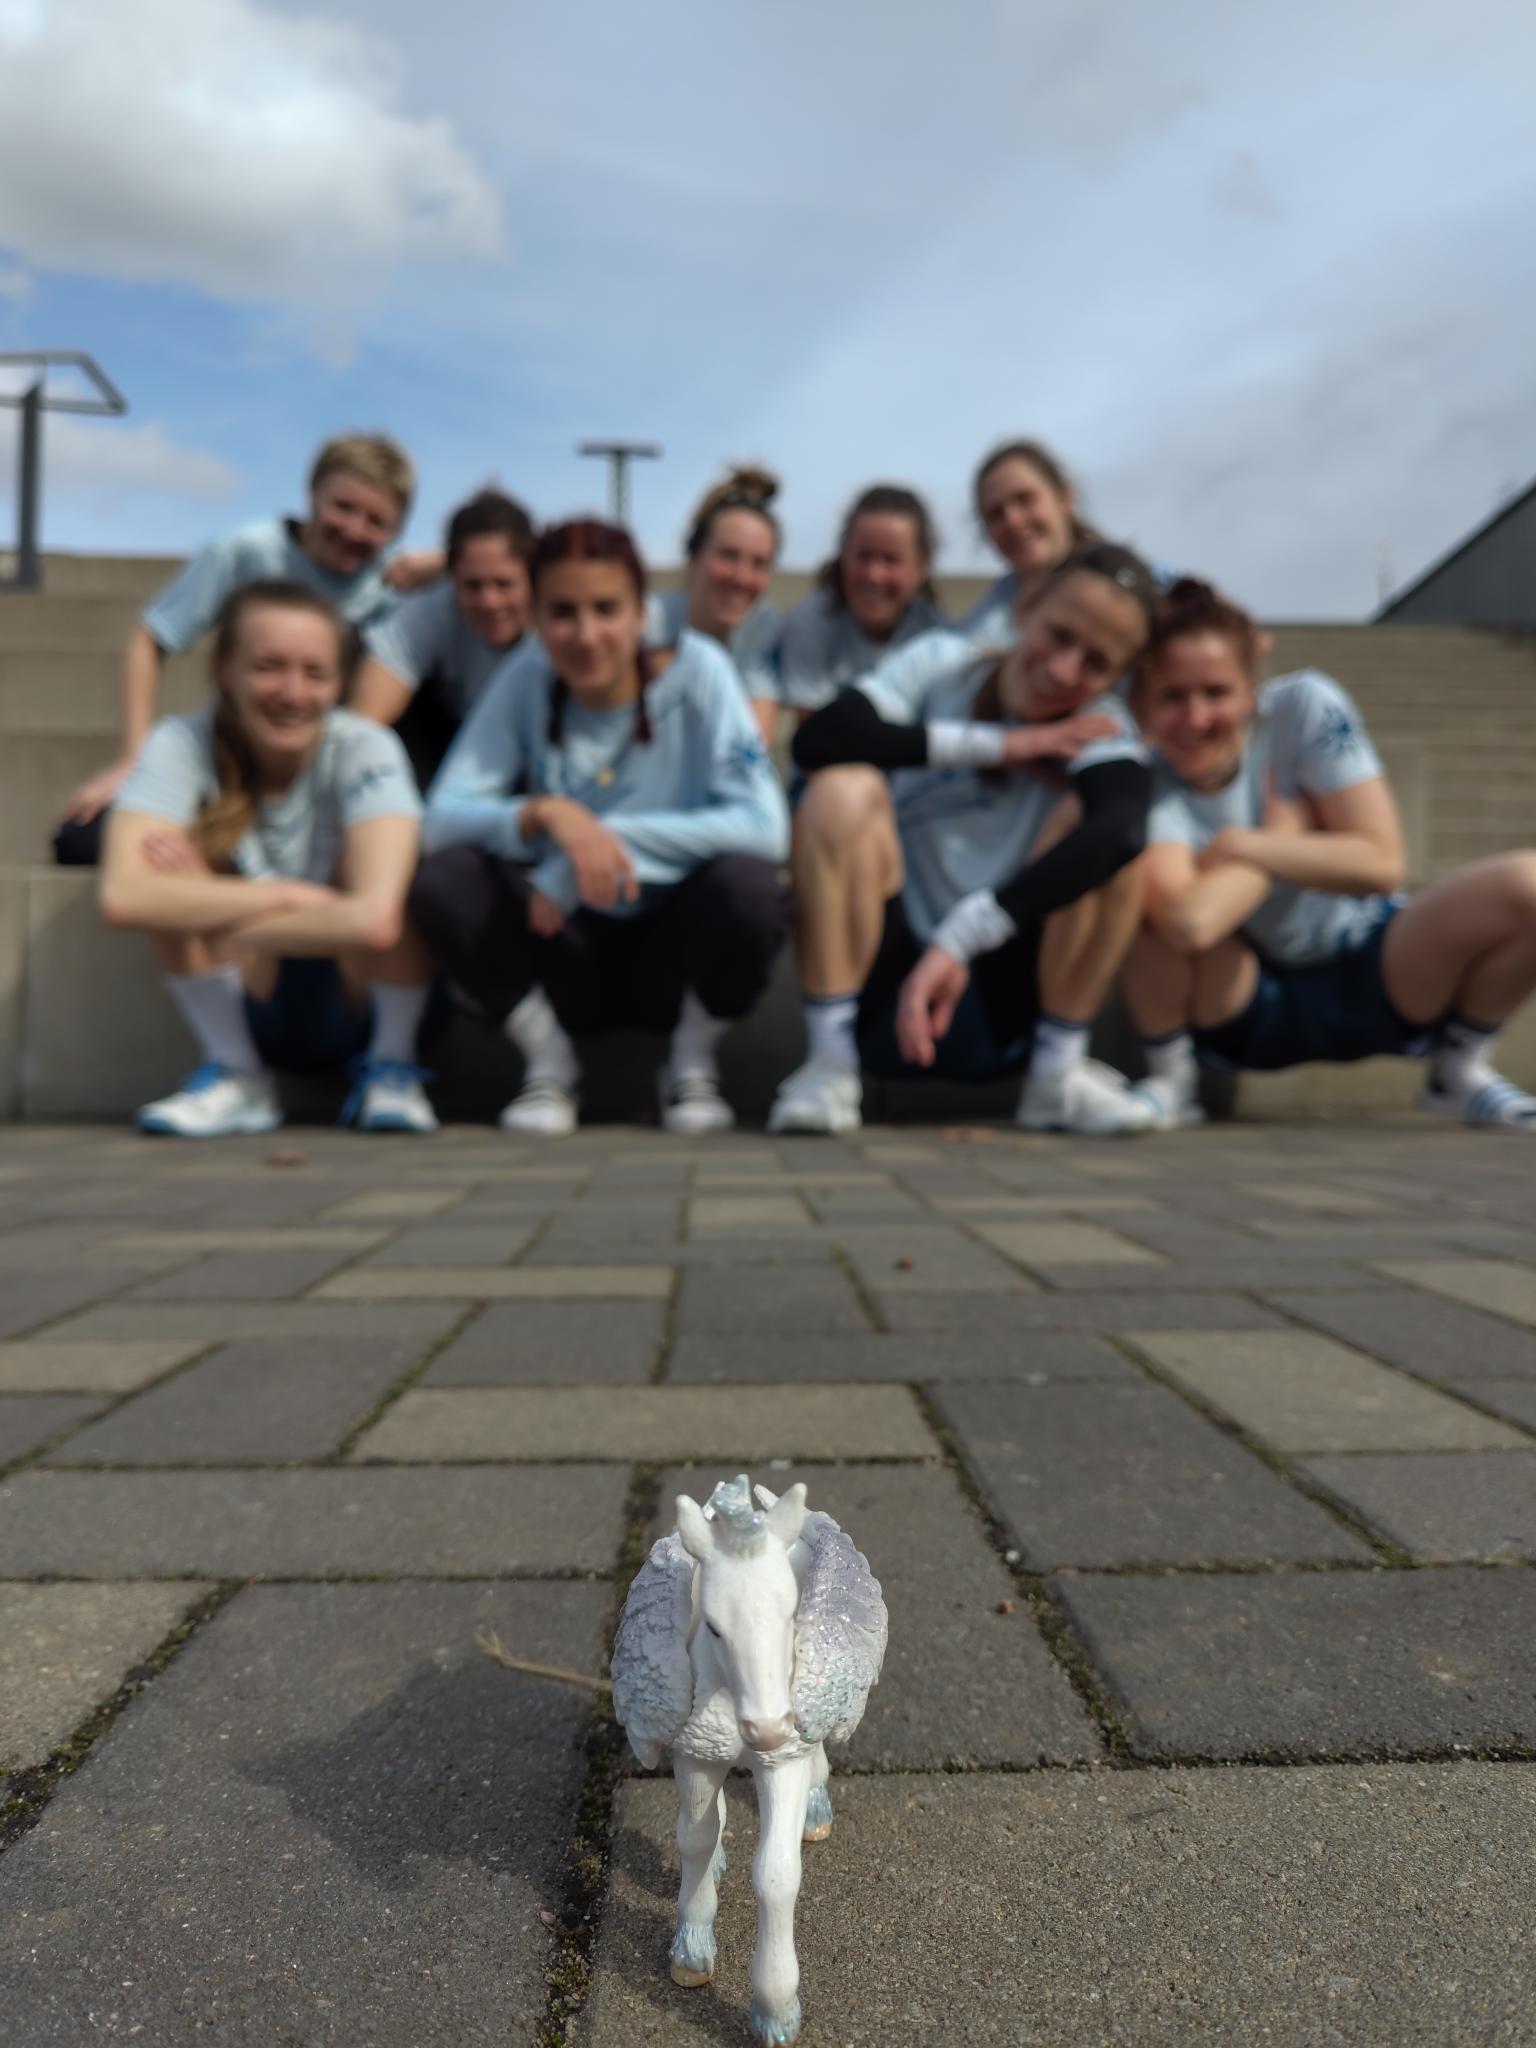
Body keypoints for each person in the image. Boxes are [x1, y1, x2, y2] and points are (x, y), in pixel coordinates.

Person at [767, 540, 1165, 1137]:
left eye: (1095, 662)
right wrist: (1000, 745)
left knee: (1112, 847)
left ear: (1118, 677)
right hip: (885, 992)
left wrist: (964, 936)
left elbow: (1122, 830)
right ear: (1026, 608)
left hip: (1003, 1002)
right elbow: (818, 739)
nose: (1063, 671)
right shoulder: (945, 660)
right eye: (1058, 635)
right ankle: (829, 1064)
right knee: (839, 791)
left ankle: (1056, 1077)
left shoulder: (1100, 722)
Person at [411, 518, 790, 1136]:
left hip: (671, 954)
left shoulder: (703, 672)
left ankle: (692, 1060)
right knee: (445, 881)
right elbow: (440, 822)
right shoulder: (526, 678)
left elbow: (765, 829)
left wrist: (599, 844)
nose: (586, 635)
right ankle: (549, 1063)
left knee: (749, 889)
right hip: (563, 947)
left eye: (607, 609)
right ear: (535, 618)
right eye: (562, 612)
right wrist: (547, 816)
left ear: (642, 613)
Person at [1122, 577, 1536, 1131]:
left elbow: (1382, 864)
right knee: (1130, 895)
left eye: (1216, 693)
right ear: (1143, 704)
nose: (1196, 718)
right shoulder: (1147, 777)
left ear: (1250, 691)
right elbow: (1189, 924)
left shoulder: (1305, 705)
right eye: (1172, 696)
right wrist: (1287, 843)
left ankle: (1458, 1070)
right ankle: (1172, 1079)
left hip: (1375, 963)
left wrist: (1249, 845)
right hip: (1246, 999)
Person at [98, 579, 437, 1138]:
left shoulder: (365, 746)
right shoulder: (179, 742)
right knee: (162, 871)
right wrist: (285, 895)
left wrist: (209, 899)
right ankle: (238, 1074)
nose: (292, 691)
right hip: (252, 998)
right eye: (268, 667)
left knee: (398, 871)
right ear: (224, 669)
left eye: (315, 672)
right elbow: (123, 895)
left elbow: (376, 919)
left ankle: (391, 1065)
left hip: (362, 996)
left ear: (340, 683)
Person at [57, 432, 422, 865]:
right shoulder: (246, 550)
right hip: (242, 756)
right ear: (313, 494)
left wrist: (444, 563)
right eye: (342, 507)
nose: (354, 530)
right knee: (86, 839)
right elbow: (150, 637)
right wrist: (133, 759)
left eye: (376, 521)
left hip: (337, 765)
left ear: (397, 531)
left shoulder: (399, 578)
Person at [352, 488, 538, 787]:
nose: (490, 601)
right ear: (451, 577)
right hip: (451, 749)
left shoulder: (560, 613)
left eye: (505, 584)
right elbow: (361, 723)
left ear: (535, 576)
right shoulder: (429, 608)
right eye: (473, 585)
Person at [774, 484, 947, 718]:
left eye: (890, 560)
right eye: (863, 556)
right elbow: (818, 738)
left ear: (922, 565)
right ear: (843, 553)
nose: (874, 576)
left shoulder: (938, 636)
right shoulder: (811, 621)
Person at [646, 466, 783, 749]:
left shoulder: (762, 626)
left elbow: (753, 748)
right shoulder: (647, 622)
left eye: (759, 564)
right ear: (694, 556)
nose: (741, 578)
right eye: (728, 556)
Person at [960, 440, 1094, 647]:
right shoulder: (973, 635)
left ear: (1064, 497)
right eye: (996, 514)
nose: (1012, 521)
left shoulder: (1143, 594)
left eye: (1025, 500)